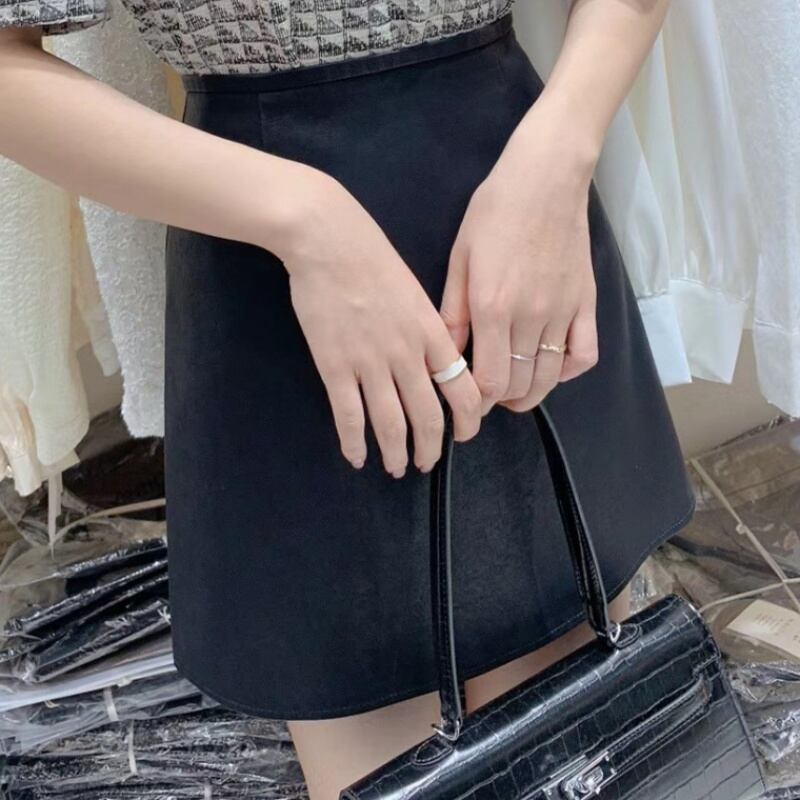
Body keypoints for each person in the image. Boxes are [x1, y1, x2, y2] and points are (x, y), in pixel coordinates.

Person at [0, 2, 696, 797]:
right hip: (277, 269)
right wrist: (309, 220)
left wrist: (559, 154)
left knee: (582, 741)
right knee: (390, 758)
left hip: (522, 217)